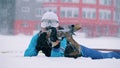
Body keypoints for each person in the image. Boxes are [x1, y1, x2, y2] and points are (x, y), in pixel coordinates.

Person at [24, 11, 120, 59]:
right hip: (69, 55)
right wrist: (36, 48)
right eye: (45, 25)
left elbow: (56, 59)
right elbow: (27, 56)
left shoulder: (62, 35)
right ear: (41, 26)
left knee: (105, 56)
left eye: (53, 25)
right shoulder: (37, 38)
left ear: (57, 26)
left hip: (78, 51)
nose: (49, 29)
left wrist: (56, 45)